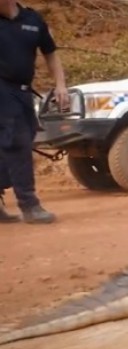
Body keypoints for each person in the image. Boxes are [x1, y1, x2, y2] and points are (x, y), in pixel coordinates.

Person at [0, 0, 67, 224]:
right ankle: (29, 204)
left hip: (24, 91)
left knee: (17, 141)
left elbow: (50, 52)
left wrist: (60, 85)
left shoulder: (33, 19)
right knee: (17, 141)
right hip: (2, 89)